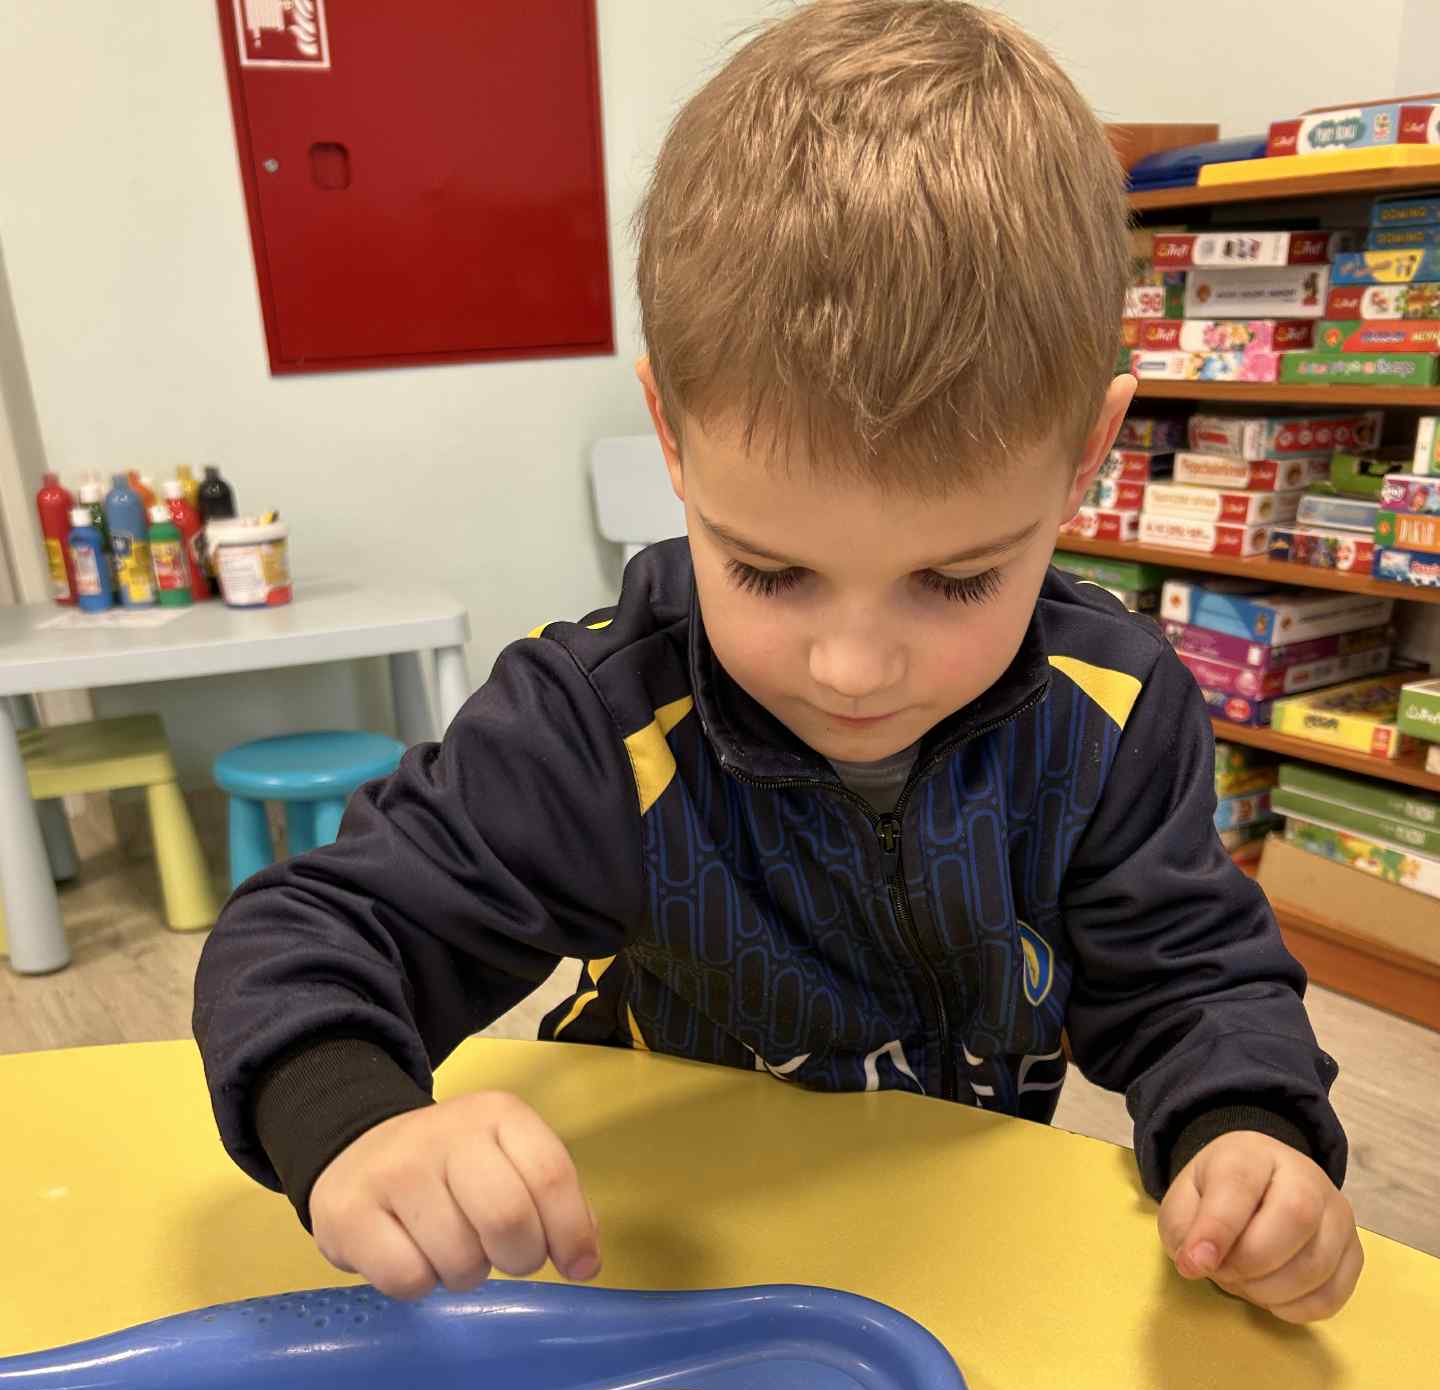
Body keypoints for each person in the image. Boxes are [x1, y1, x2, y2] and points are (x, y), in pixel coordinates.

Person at [194, 0, 1361, 1323]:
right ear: (671, 435)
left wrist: (1250, 1131)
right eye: (769, 571)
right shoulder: (594, 723)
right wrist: (354, 1122)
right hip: (647, 1273)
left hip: (936, 1267)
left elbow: (1195, 975)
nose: (853, 668)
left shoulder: (1117, 709)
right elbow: (308, 934)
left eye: (955, 580)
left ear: (1087, 456)